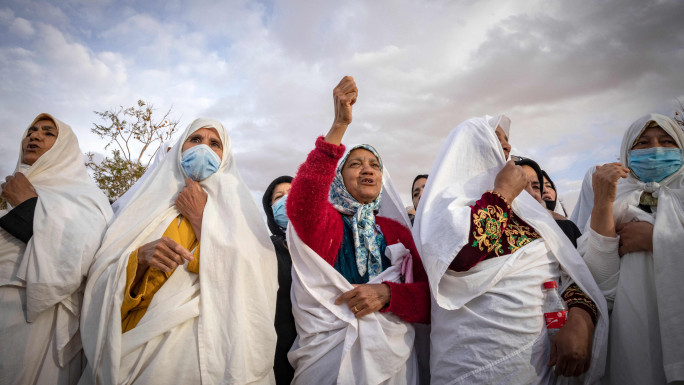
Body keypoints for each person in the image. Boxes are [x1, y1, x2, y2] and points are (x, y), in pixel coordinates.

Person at [80, 118, 278, 384]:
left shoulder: (242, 216)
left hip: (207, 354)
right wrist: (138, 259)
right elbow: (98, 277)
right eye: (195, 139)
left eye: (214, 143)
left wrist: (200, 220)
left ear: (225, 156)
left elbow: (255, 287)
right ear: (179, 148)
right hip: (136, 341)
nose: (203, 148)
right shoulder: (140, 205)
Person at [413, 115, 608, 384]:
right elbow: (461, 256)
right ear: (469, 148)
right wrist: (502, 193)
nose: (506, 146)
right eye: (497, 137)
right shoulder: (444, 205)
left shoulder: (529, 214)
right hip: (472, 365)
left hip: (538, 363)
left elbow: (567, 273)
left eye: (507, 140)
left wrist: (580, 318)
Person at [286, 76, 430, 384]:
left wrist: (388, 293)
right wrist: (338, 125)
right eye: (355, 164)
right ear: (338, 178)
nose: (367, 169)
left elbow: (428, 299)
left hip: (394, 362)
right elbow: (302, 203)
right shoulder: (328, 222)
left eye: (374, 165)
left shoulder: (396, 231)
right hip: (328, 358)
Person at [0, 113, 112, 384]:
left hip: (35, 317)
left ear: (65, 148)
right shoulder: (10, 190)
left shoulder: (86, 196)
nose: (34, 136)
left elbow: (81, 258)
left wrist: (28, 206)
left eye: (48, 133)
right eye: (31, 131)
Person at [578, 113, 684, 384]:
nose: (656, 149)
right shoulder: (618, 200)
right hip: (635, 337)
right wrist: (602, 204)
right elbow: (601, 285)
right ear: (627, 152)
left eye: (666, 141)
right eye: (643, 143)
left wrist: (656, 241)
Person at [262, 175, 296, 385]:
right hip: (278, 348)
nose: (285, 200)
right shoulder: (265, 247)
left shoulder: (326, 243)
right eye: (278, 197)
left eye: (292, 194)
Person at [516, 158, 583, 247]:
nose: (531, 192)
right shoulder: (499, 225)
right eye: (522, 185)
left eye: (536, 187)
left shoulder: (567, 228)